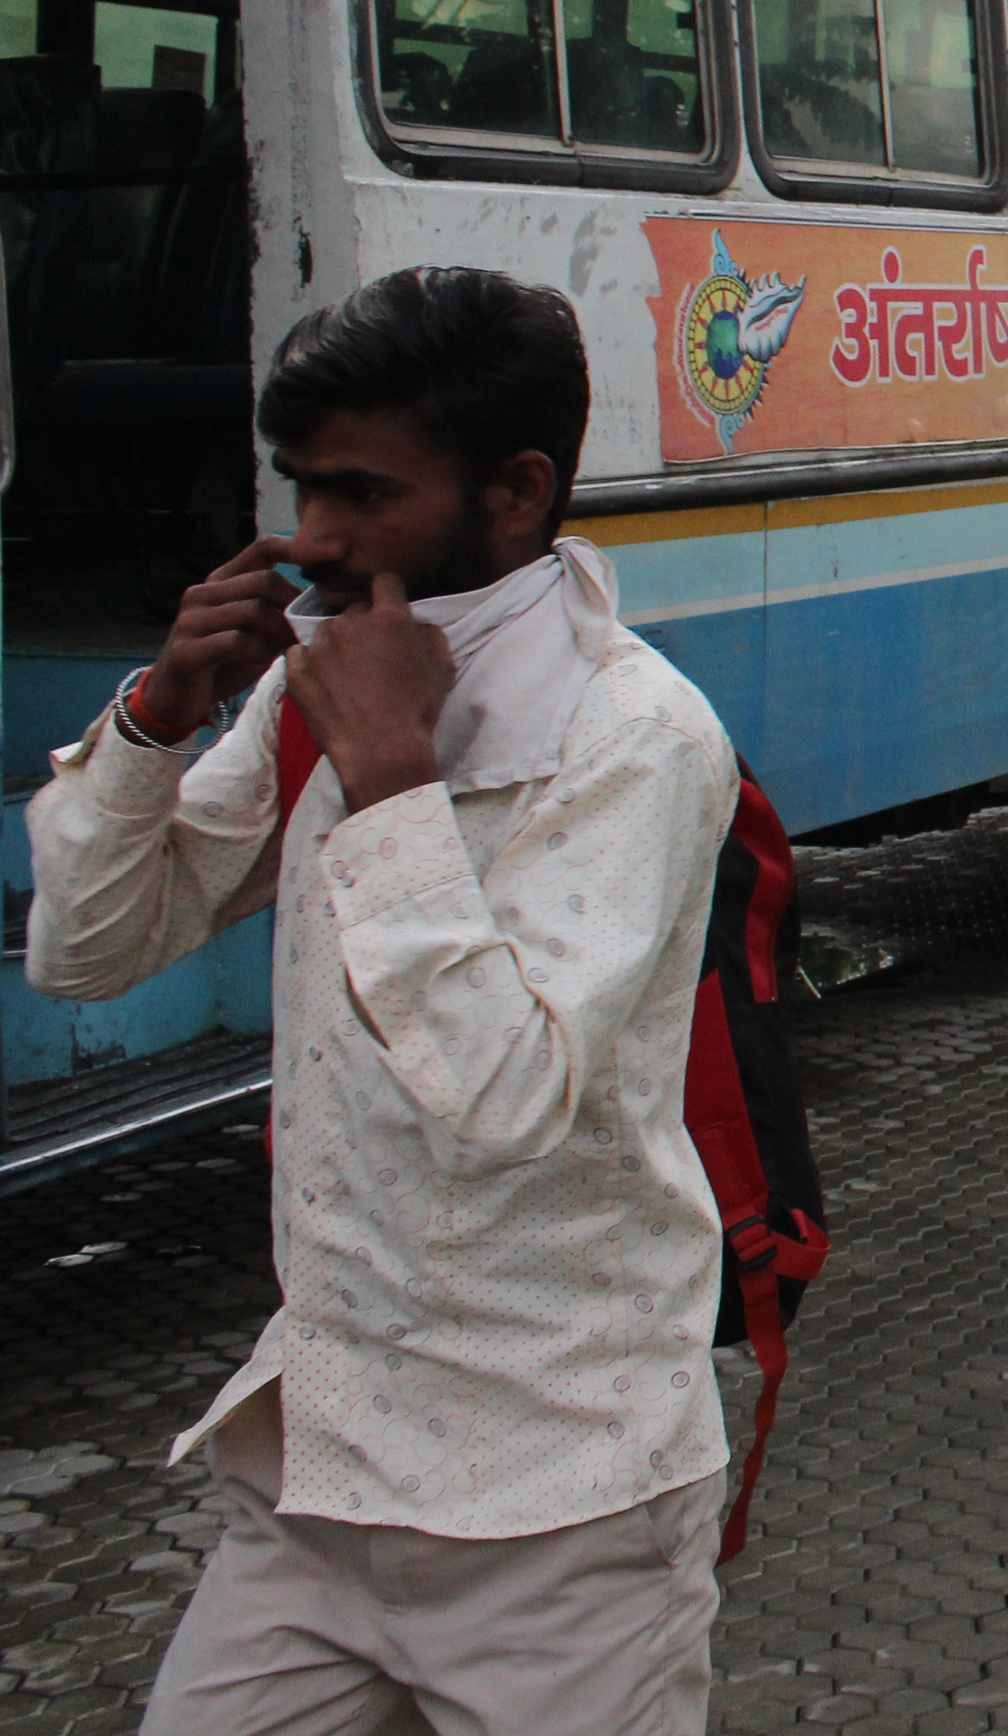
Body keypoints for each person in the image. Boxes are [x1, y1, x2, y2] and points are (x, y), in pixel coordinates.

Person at [25, 269, 741, 1736]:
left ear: (518, 488)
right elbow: (85, 950)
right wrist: (158, 717)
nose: (317, 540)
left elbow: (506, 1093)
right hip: (322, 1473)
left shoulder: (636, 733)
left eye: (362, 492)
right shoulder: (319, 681)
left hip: (563, 1510)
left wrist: (397, 776)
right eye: (299, 488)